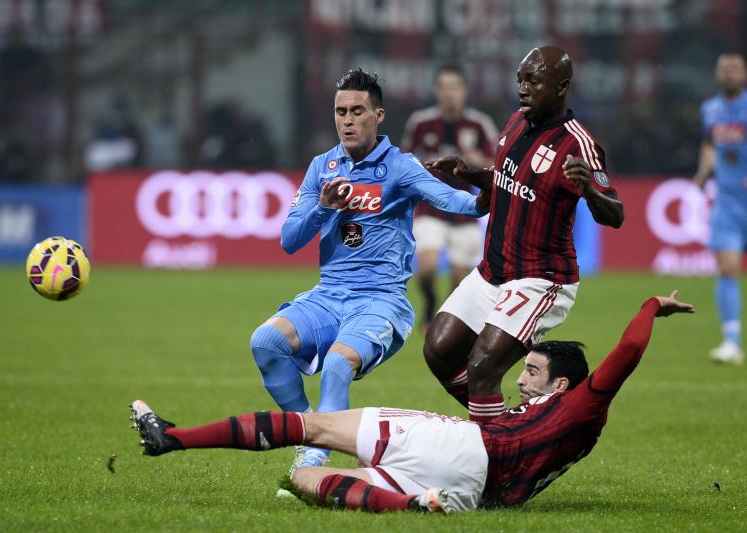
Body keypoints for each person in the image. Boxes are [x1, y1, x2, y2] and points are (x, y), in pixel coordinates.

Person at [129, 291, 694, 513]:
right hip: (472, 492)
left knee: (312, 427)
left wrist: (650, 305)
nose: (522, 380)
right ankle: (414, 506)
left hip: (462, 449)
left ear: (564, 385)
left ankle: (172, 438)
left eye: (533, 371)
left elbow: (627, 351)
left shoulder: (583, 406)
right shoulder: (555, 427)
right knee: (303, 480)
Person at [249, 68, 487, 471]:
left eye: (357, 111)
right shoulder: (322, 166)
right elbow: (289, 239)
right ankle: (309, 432)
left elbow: (457, 202)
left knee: (337, 363)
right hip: (328, 295)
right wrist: (322, 208)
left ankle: (314, 460)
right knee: (265, 341)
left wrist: (490, 194)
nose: (347, 120)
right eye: (340, 111)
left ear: (378, 116)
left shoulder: (400, 167)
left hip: (380, 301)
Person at [422, 45, 625, 423]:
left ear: (562, 87)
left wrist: (589, 190)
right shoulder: (515, 122)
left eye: (533, 81)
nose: (522, 89)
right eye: (519, 80)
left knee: (483, 365)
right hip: (492, 271)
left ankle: (495, 453)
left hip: (540, 278)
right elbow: (506, 181)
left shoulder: (579, 144)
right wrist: (469, 173)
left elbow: (615, 215)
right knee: (439, 349)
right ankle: (511, 431)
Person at [401, 65, 498, 331]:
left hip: (466, 211)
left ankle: (442, 317)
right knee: (427, 268)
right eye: (443, 87)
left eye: (454, 87)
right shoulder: (421, 123)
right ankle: (430, 303)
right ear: (436, 91)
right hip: (429, 209)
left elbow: (498, 165)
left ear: (464, 91)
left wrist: (478, 160)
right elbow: (404, 160)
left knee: (458, 278)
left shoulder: (479, 125)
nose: (448, 93)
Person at [693, 52, 747, 365]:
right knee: (727, 269)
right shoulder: (710, 109)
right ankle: (731, 341)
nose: (729, 73)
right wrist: (704, 171)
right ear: (717, 75)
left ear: (744, 74)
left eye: (734, 68)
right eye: (724, 68)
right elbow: (710, 144)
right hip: (727, 203)